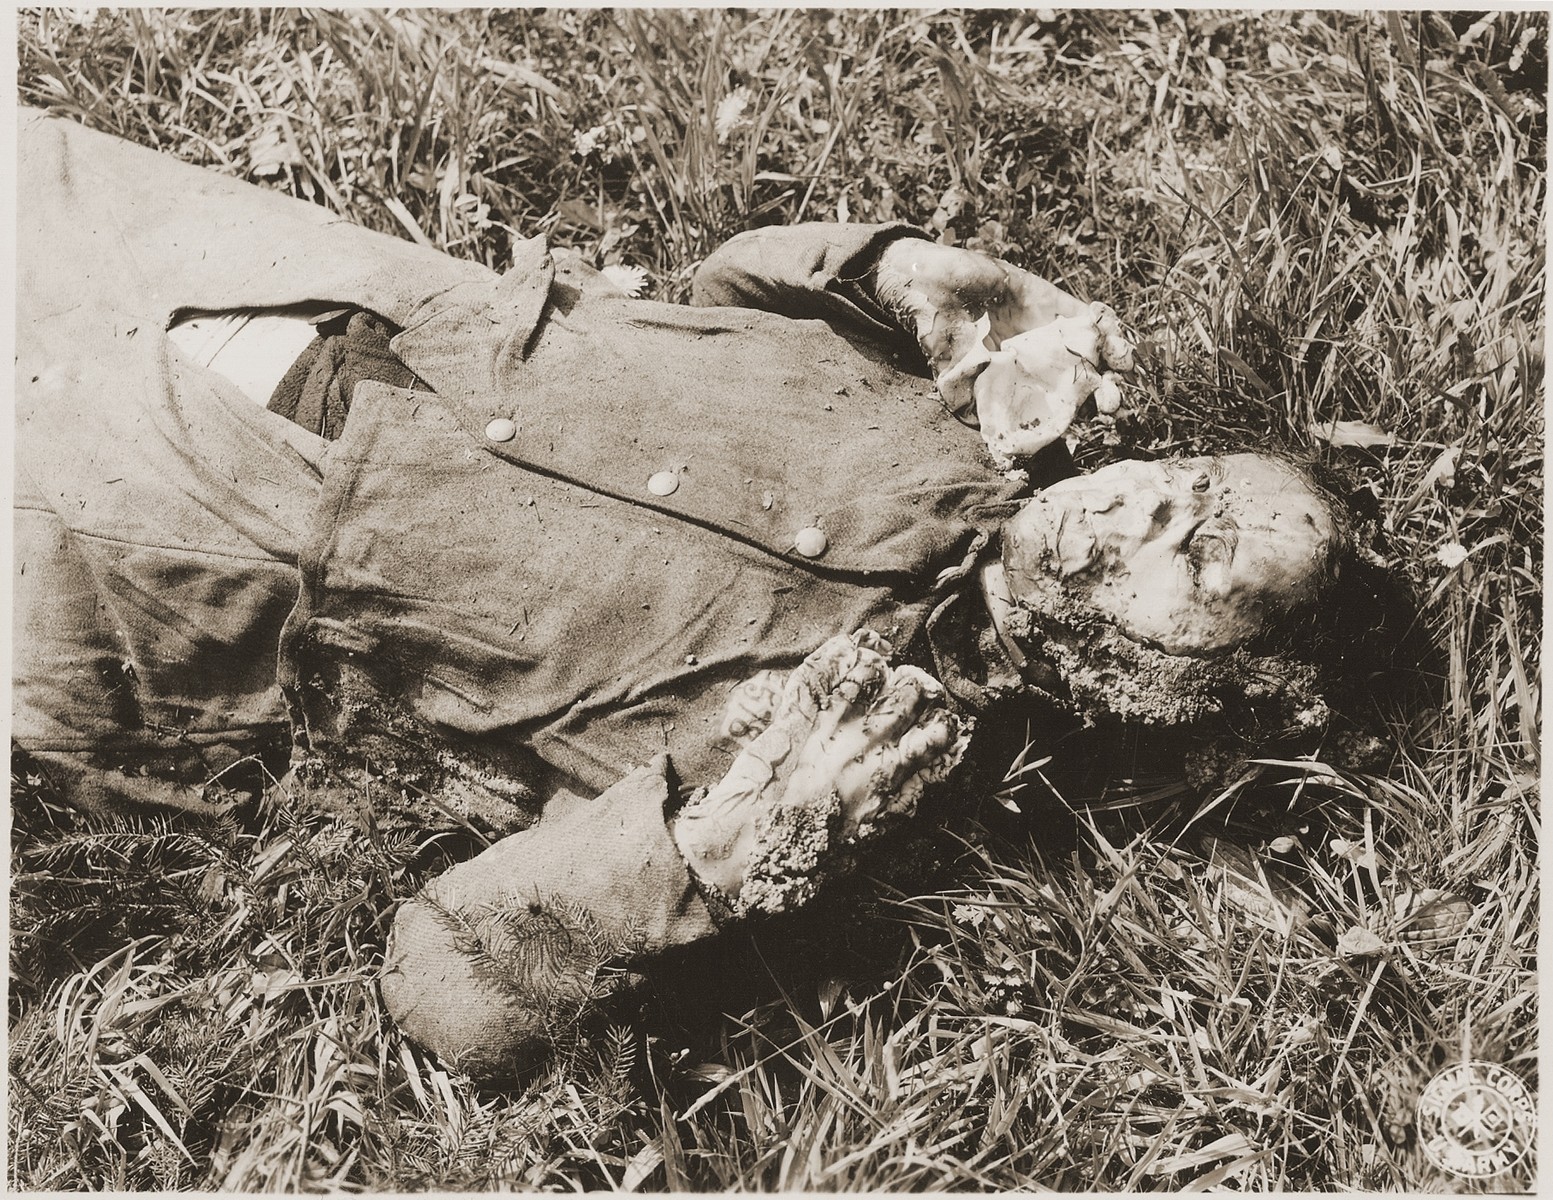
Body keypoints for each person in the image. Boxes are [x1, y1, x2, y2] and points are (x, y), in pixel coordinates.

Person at [15, 108, 1387, 1079]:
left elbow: (440, 990)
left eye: (1202, 556)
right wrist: (882, 269)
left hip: (165, 514)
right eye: (1191, 478)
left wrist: (697, 867)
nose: (1157, 503)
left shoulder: (858, 766)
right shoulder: (953, 432)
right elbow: (718, 294)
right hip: (286, 279)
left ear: (1206, 687)